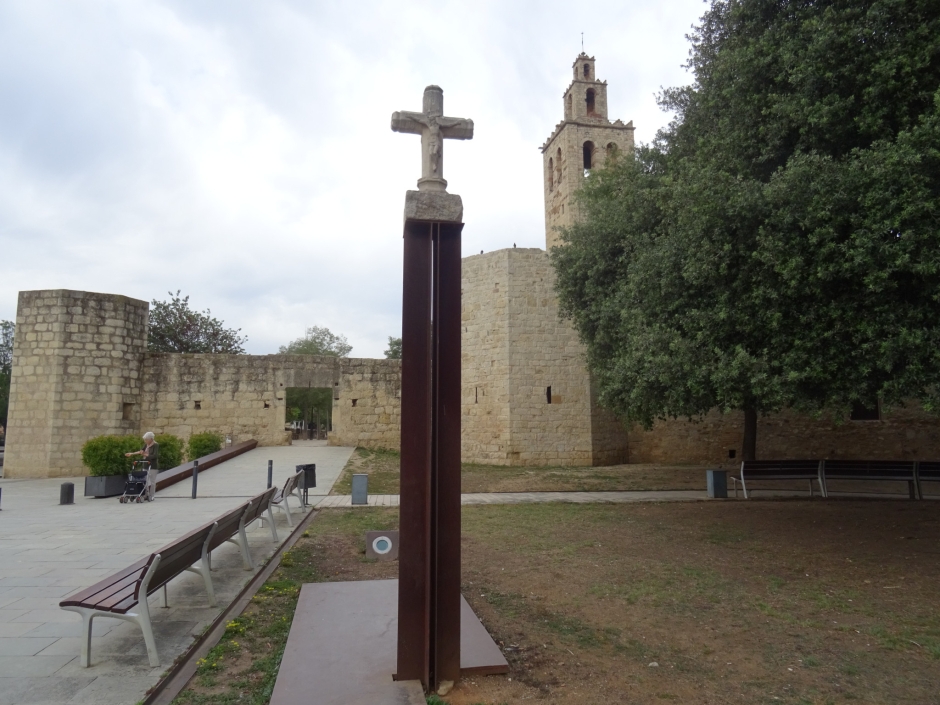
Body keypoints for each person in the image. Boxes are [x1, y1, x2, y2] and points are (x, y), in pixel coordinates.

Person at [126, 432, 159, 501]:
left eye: (146, 439)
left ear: (151, 439)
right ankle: (146, 494)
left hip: (153, 465)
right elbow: (141, 451)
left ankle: (152, 495)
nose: (145, 441)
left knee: (152, 481)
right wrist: (132, 454)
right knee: (145, 480)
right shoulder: (146, 444)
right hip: (145, 464)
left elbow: (155, 456)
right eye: (145, 440)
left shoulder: (155, 445)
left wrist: (145, 454)